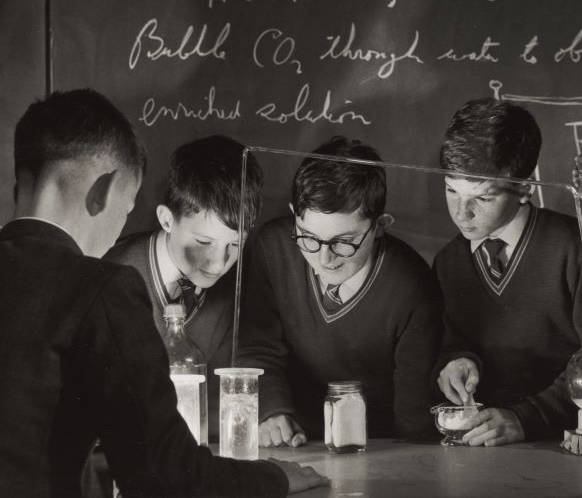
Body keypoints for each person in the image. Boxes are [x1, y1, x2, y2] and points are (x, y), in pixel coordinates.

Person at [0, 88, 327, 498]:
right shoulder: (101, 286)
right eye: (128, 206)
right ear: (102, 192)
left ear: (20, 183)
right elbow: (162, 473)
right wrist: (274, 478)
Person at [434, 97, 582, 447]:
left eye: (481, 198)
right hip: (482, 443)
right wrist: (457, 361)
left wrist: (525, 418)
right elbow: (453, 340)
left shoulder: (577, 247)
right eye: (451, 190)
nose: (461, 213)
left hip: (567, 443)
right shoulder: (449, 262)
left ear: (525, 188)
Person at [237, 136, 442, 446]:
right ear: (295, 214)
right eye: (308, 238)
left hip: (377, 447)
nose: (324, 259)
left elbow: (413, 419)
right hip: (294, 438)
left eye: (343, 243)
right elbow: (257, 348)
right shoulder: (272, 247)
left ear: (380, 226)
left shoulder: (412, 286)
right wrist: (271, 410)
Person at [105, 134, 262, 441]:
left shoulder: (242, 284)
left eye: (235, 243)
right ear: (166, 219)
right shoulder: (111, 276)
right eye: (203, 242)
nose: (219, 264)